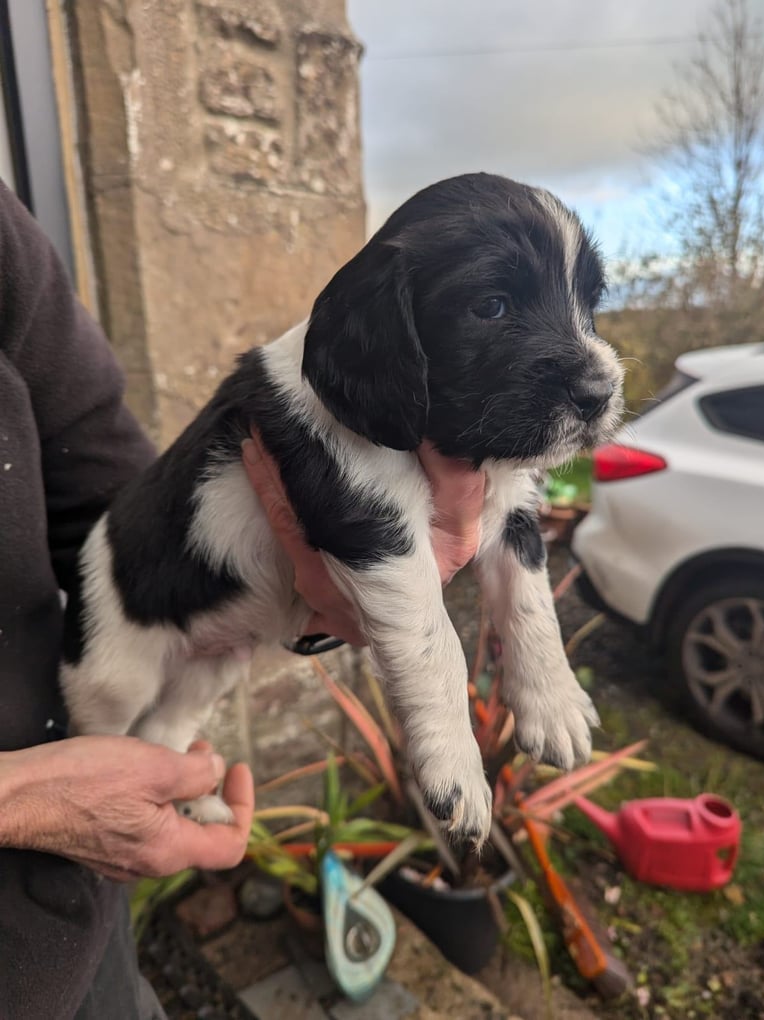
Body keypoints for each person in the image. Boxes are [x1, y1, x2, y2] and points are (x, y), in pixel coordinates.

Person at [0, 180, 485, 1019]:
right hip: (36, 883)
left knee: (179, 697)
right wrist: (27, 801)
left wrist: (302, 589)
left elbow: (108, 478)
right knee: (117, 693)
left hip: (77, 941)